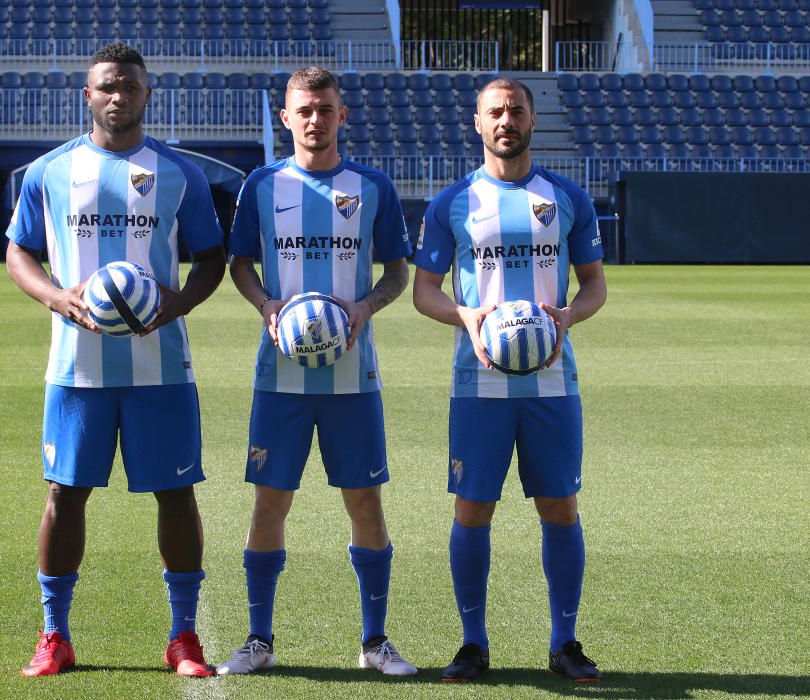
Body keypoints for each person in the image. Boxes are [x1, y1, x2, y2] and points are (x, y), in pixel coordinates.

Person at [5, 43, 226, 678]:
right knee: (64, 494)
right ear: (88, 95)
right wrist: (57, 297)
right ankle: (54, 635)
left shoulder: (179, 174)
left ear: (146, 94)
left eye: (129, 86)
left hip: (161, 367)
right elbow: (19, 251)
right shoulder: (49, 172)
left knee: (176, 494)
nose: (118, 96)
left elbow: (211, 257)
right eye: (107, 86)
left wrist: (179, 303)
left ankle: (184, 636)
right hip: (77, 368)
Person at [217, 66, 416, 677]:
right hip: (280, 378)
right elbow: (240, 263)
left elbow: (398, 272)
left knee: (365, 501)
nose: (314, 119)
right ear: (286, 117)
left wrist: (363, 307)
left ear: (342, 115)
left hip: (353, 378)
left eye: (325, 109)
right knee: (269, 502)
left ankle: (375, 641)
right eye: (303, 110)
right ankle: (258, 640)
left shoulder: (372, 186)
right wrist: (266, 304)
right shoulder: (262, 184)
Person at [412, 77, 608, 683]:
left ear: (531, 119)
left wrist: (569, 315)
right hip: (479, 385)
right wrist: (466, 315)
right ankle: (473, 643)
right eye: (495, 111)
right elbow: (424, 292)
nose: (506, 120)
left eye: (516, 110)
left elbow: (595, 285)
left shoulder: (567, 197)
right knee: (473, 508)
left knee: (560, 505)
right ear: (478, 123)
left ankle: (564, 642)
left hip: (553, 383)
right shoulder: (452, 203)